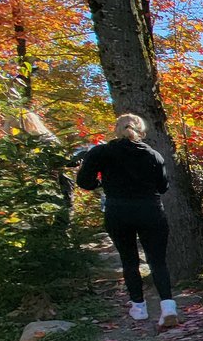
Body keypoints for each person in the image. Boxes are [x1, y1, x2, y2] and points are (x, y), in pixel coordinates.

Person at [75, 114, 179, 327]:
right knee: (157, 260)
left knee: (129, 259)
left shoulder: (101, 152)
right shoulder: (153, 155)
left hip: (118, 211)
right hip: (150, 211)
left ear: (116, 129)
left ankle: (138, 307)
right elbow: (163, 187)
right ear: (142, 131)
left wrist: (101, 184)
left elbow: (84, 181)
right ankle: (168, 306)